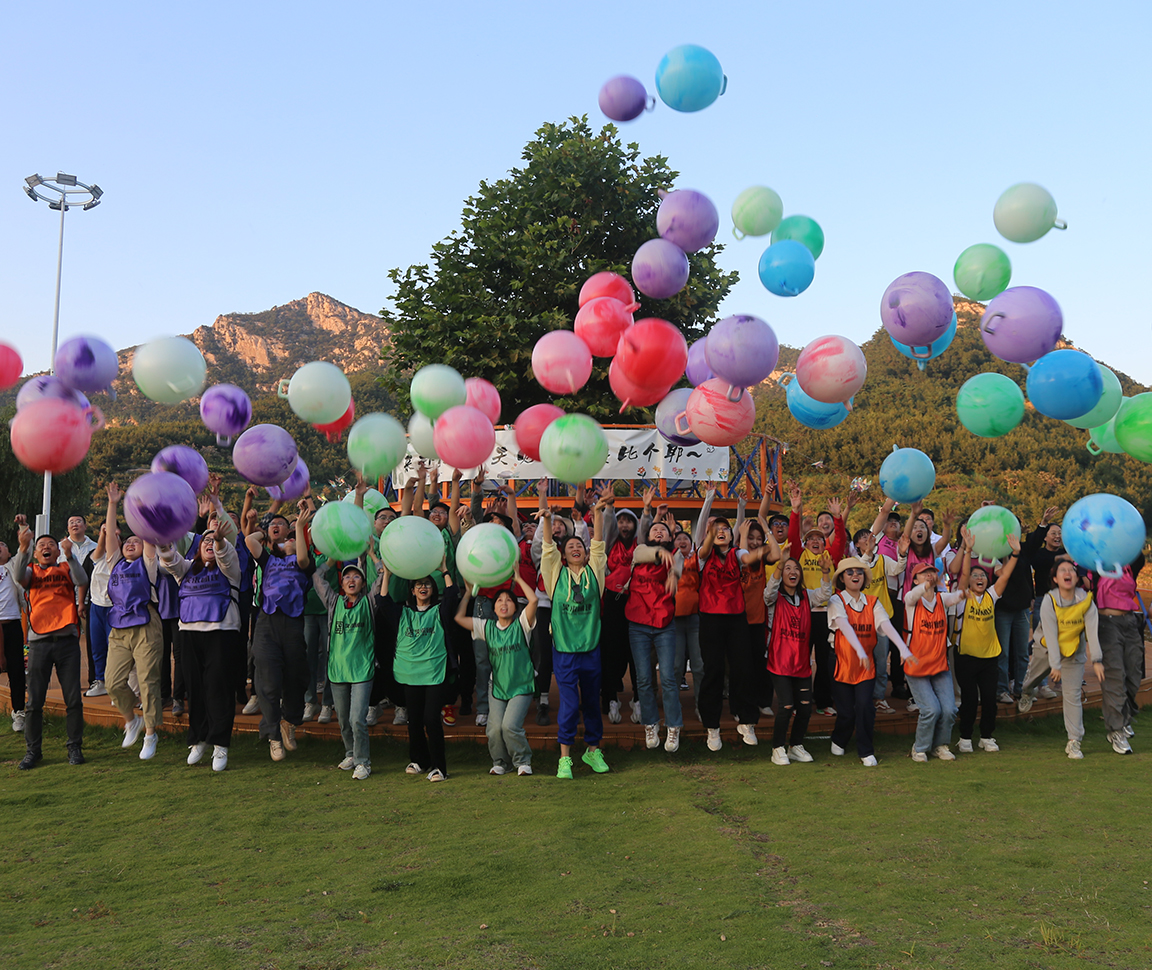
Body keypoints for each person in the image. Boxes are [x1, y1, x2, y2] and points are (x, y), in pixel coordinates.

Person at [159, 510, 243, 771]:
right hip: (189, 634)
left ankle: (220, 744)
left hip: (221, 633)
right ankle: (199, 739)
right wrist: (162, 542)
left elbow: (225, 555)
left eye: (213, 540)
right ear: (197, 548)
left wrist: (219, 540)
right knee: (195, 691)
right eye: (205, 540)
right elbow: (170, 560)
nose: (209, 543)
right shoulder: (187, 568)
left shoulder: (230, 569)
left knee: (218, 689)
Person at [539, 498, 609, 779]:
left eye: (579, 545)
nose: (576, 548)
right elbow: (547, 548)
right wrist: (547, 520)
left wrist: (597, 512)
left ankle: (593, 751)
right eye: (570, 546)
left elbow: (599, 544)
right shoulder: (555, 575)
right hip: (565, 650)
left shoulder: (595, 572)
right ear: (564, 554)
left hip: (591, 649)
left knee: (592, 702)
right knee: (569, 705)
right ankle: (564, 758)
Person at [12, 516, 88, 768]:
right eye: (41, 545)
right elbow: (18, 577)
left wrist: (71, 556)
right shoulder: (31, 572)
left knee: (73, 699)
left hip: (67, 643)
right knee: (34, 702)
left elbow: (82, 580)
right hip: (39, 644)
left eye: (51, 545)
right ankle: (33, 751)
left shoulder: (66, 567)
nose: (46, 547)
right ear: (36, 553)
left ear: (58, 551)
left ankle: (74, 747)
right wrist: (23, 547)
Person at [697, 516, 778, 751]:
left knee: (743, 668)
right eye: (718, 529)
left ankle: (746, 722)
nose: (722, 532)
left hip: (736, 618)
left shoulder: (736, 553)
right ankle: (712, 727)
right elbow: (704, 550)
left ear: (732, 535)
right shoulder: (704, 555)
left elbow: (752, 557)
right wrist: (712, 532)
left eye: (726, 529)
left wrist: (765, 541)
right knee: (714, 670)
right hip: (711, 618)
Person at [376, 555, 459, 782]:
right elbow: (382, 602)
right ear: (412, 591)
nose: (423, 587)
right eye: (419, 585)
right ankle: (419, 761)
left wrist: (444, 570)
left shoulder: (439, 611)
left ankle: (439, 767)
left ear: (433, 589)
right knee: (414, 720)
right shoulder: (403, 613)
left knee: (431, 719)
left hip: (434, 673)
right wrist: (387, 575)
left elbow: (452, 595)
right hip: (409, 674)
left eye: (427, 584)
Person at [244, 500, 315, 761]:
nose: (278, 528)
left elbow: (303, 557)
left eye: (283, 526)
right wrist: (269, 531)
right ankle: (273, 735)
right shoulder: (269, 560)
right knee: (268, 680)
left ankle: (289, 721)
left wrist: (298, 529)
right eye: (274, 525)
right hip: (267, 623)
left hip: (293, 624)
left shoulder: (303, 563)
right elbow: (250, 540)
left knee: (296, 676)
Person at [827, 557, 910, 767]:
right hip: (841, 662)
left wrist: (902, 647)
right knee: (847, 713)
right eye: (850, 572)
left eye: (859, 572)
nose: (855, 575)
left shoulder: (873, 601)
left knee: (865, 706)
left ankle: (866, 750)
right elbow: (843, 625)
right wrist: (859, 650)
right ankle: (839, 738)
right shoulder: (836, 601)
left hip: (865, 665)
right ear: (842, 579)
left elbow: (885, 624)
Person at [455, 573, 539, 776]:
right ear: (493, 609)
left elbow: (534, 600)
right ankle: (501, 762)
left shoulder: (522, 624)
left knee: (510, 726)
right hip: (498, 686)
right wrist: (468, 593)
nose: (504, 603)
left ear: (515, 607)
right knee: (493, 729)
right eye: (499, 600)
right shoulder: (487, 627)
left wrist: (519, 579)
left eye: (509, 600)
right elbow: (459, 618)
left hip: (521, 685)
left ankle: (522, 761)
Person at [103, 483, 164, 761]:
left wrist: (145, 510)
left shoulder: (148, 564)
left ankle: (150, 733)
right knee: (112, 681)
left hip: (146, 624)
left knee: (148, 681)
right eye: (127, 541)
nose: (130, 543)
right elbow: (111, 537)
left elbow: (149, 539)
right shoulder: (115, 562)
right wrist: (113, 503)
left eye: (135, 541)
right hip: (119, 627)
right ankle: (132, 720)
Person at [1026, 561, 1105, 759]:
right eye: (1063, 570)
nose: (1068, 572)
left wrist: (1097, 660)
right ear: (1055, 578)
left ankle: (1074, 741)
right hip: (1047, 647)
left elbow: (1092, 631)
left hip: (1074, 652)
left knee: (1072, 695)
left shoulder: (1086, 600)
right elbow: (1051, 634)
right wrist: (1055, 664)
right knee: (1033, 678)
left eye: (1072, 570)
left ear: (1077, 578)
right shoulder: (1049, 600)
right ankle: (1026, 692)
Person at [953, 529, 1020, 754]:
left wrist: (1015, 553)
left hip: (990, 657)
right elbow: (963, 575)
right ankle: (965, 737)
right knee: (970, 699)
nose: (979, 578)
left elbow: (1005, 576)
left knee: (990, 700)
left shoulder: (991, 595)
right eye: (975, 576)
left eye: (982, 575)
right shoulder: (962, 597)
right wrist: (968, 550)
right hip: (966, 657)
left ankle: (986, 736)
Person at [313, 557, 379, 780]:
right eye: (347, 577)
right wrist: (330, 561)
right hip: (338, 670)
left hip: (362, 669)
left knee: (357, 719)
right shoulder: (334, 602)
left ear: (363, 583)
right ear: (341, 584)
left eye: (357, 576)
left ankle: (363, 762)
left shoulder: (369, 602)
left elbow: (382, 577)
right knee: (343, 720)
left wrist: (373, 556)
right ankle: (351, 753)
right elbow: (317, 576)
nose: (352, 580)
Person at [764, 555, 833, 765]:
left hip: (801, 661)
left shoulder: (806, 596)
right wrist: (778, 566)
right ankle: (777, 748)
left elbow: (825, 594)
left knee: (804, 707)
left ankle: (795, 745)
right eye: (787, 568)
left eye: (796, 568)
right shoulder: (775, 597)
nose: (792, 572)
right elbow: (768, 592)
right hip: (779, 660)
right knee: (786, 706)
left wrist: (825, 571)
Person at [625, 518, 683, 752]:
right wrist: (660, 552)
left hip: (664, 624)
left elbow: (677, 565)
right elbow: (641, 554)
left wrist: (674, 575)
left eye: (663, 530)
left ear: (670, 537)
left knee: (668, 678)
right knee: (643, 679)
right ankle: (650, 724)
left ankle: (673, 726)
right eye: (655, 529)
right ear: (648, 536)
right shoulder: (640, 550)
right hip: (638, 623)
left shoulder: (676, 554)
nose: (659, 532)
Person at [903, 561, 965, 762]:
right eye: (923, 573)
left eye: (931, 572)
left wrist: (965, 593)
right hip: (916, 665)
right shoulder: (911, 600)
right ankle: (920, 748)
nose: (929, 575)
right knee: (931, 709)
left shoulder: (941, 598)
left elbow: (956, 596)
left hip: (939, 663)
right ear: (915, 580)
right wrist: (926, 586)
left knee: (949, 709)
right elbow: (911, 596)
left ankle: (940, 745)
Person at [1094, 554, 1144, 754]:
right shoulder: (1096, 563)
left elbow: (1138, 553)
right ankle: (1116, 730)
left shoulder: (1130, 564)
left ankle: (1124, 716)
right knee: (1114, 677)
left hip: (1130, 622)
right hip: (1107, 624)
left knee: (1134, 673)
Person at [0, 537, 27, 733]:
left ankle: (18, 712)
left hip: (12, 624)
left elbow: (25, 550)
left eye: (2, 545)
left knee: (16, 670)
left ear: (9, 553)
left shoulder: (13, 567)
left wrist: (24, 529)